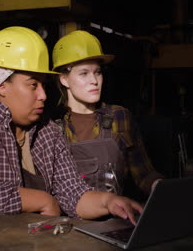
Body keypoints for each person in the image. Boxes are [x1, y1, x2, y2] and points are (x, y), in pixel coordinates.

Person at [0, 26, 142, 224]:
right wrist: (43, 200)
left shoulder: (47, 131)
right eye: (32, 85)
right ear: (1, 85)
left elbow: (73, 193)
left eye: (44, 85)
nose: (43, 95)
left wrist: (109, 201)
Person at [51, 30, 164, 199]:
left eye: (97, 72)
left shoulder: (119, 117)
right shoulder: (52, 127)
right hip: (69, 223)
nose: (94, 81)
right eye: (84, 73)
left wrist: (163, 188)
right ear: (64, 79)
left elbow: (143, 173)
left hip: (114, 220)